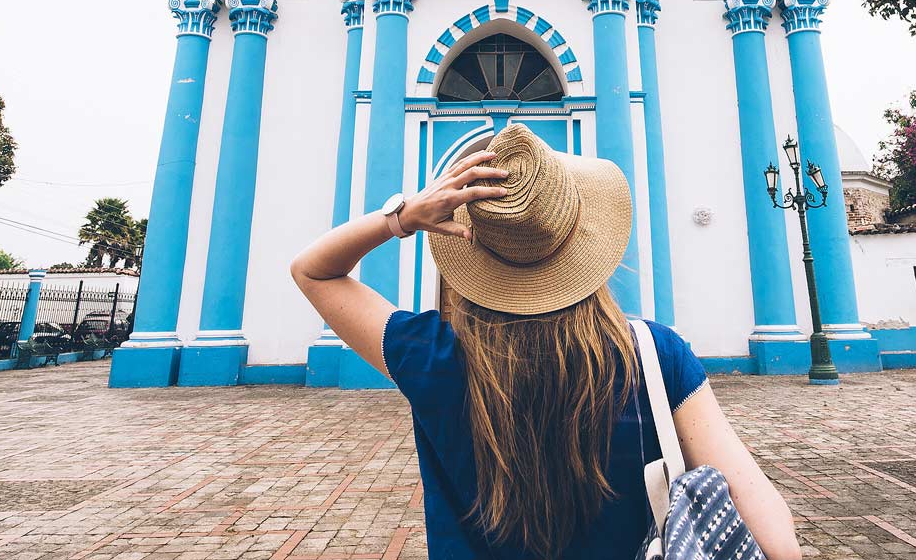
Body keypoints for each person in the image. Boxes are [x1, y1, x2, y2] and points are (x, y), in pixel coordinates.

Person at [291, 123, 800, 560]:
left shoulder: (431, 356)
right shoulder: (653, 355)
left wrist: (403, 216)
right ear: (585, 243)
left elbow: (313, 271)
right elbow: (777, 544)